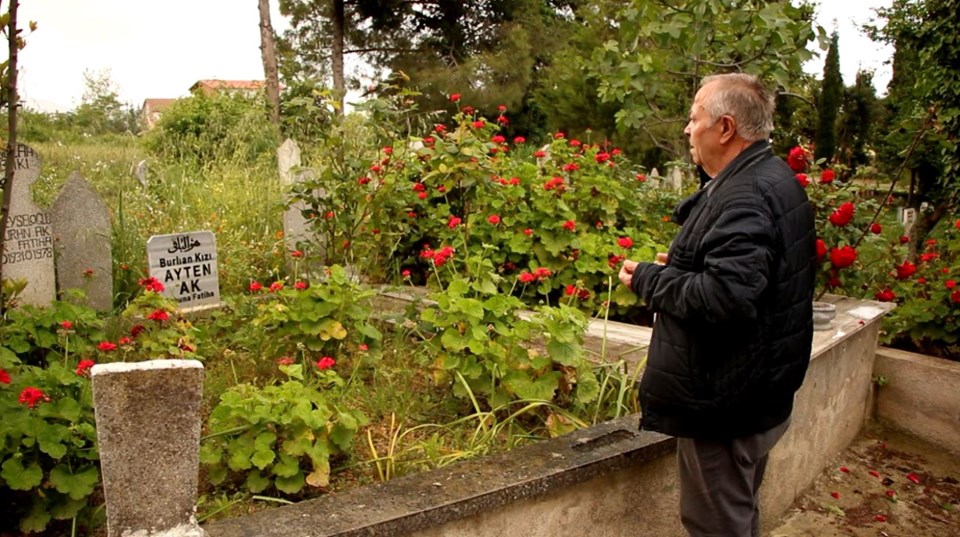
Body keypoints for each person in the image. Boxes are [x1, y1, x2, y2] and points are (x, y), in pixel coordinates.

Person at [617, 73, 816, 537]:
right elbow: (756, 278)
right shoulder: (770, 177)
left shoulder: (746, 193)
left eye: (694, 118)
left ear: (725, 129)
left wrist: (649, 278)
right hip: (755, 393)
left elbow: (726, 298)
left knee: (717, 526)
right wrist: (685, 268)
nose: (687, 130)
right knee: (736, 513)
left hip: (725, 403)